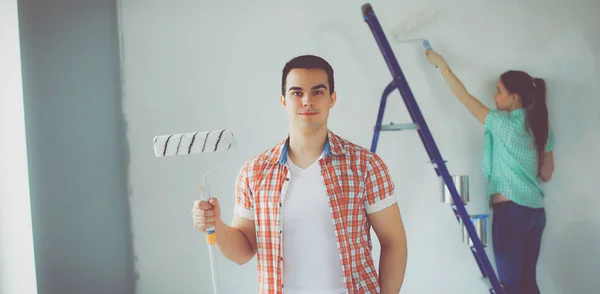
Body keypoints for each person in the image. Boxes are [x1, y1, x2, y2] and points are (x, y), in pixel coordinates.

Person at [191, 55, 408, 294]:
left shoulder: (365, 166)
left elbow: (393, 242)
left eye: (317, 92)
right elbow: (243, 252)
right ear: (284, 101)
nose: (307, 101)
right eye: (297, 93)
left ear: (332, 99)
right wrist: (215, 226)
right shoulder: (254, 172)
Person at [425, 50, 555, 293]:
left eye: (498, 91)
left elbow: (464, 97)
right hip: (536, 214)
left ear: (514, 97)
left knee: (509, 286)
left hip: (511, 214)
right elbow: (547, 173)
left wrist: (442, 64)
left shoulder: (501, 123)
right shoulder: (540, 128)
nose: (494, 96)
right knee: (528, 282)